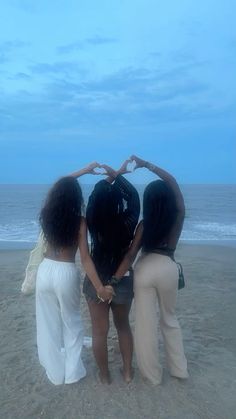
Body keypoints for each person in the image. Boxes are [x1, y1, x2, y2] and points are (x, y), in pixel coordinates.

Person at [34, 163, 114, 385]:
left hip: (45, 271)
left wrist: (81, 171)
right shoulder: (80, 221)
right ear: (77, 198)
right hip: (65, 272)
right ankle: (72, 373)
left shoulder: (47, 213)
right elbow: (85, 258)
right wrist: (99, 287)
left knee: (48, 323)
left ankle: (55, 372)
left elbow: (57, 187)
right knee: (72, 323)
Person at [113, 155, 188, 385]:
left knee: (145, 325)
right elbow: (173, 182)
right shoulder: (177, 218)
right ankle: (179, 370)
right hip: (168, 268)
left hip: (144, 270)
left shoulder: (145, 225)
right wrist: (147, 165)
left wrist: (115, 278)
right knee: (169, 319)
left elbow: (131, 254)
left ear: (148, 202)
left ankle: (152, 376)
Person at [83, 161, 140, 384]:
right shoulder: (130, 219)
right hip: (122, 277)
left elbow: (95, 196)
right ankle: (127, 372)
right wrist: (117, 174)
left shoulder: (92, 218)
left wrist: (110, 176)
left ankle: (105, 376)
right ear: (119, 201)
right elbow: (133, 195)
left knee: (99, 331)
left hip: (96, 277)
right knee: (123, 325)